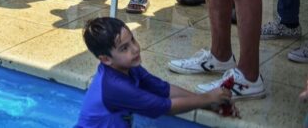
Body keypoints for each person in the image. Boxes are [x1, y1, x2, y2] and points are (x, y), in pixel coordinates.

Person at [76, 17, 233, 127]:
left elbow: (163, 89)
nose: (135, 48)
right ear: (105, 60)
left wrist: (208, 103)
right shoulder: (115, 87)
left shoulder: (129, 68)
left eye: (132, 40)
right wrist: (206, 98)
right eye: (124, 48)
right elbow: (164, 107)